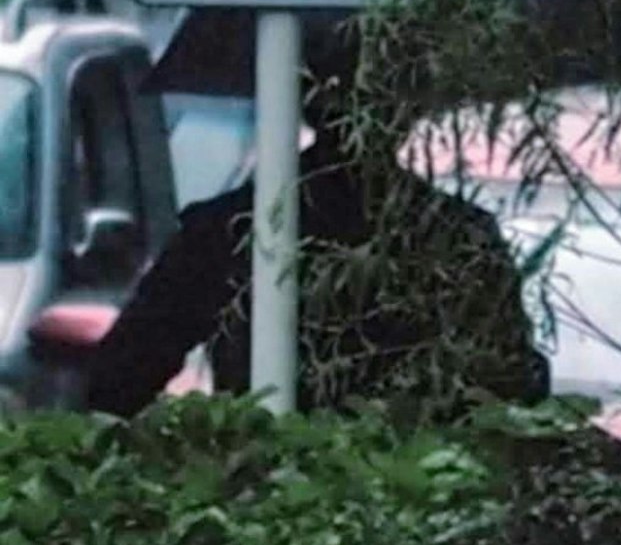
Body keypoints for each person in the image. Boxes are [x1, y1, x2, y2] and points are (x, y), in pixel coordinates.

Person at [80, 43, 545, 420]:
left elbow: (117, 381)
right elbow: (514, 385)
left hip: (267, 493)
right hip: (422, 501)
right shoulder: (458, 236)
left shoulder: (231, 229)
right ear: (413, 107)